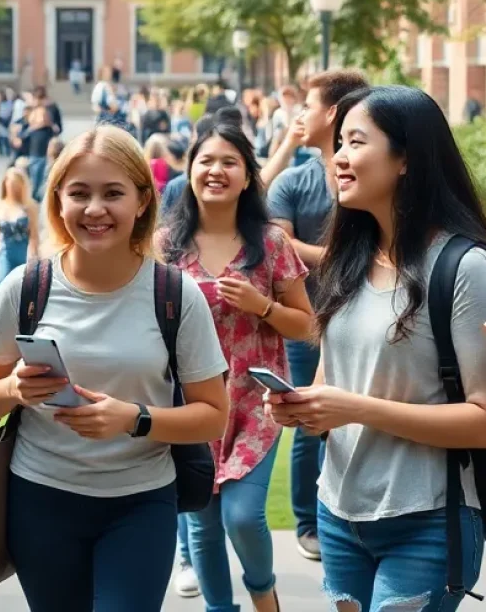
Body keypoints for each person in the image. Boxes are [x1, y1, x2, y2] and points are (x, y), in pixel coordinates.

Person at [267, 85, 486, 612]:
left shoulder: (463, 268)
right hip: (338, 513)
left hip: (426, 519)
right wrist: (305, 407)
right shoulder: (346, 258)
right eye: (339, 143)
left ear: (405, 159)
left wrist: (353, 408)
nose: (338, 156)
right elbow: (332, 381)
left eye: (356, 142)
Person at [0, 126, 230, 612]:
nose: (95, 210)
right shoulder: (25, 287)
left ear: (143, 201)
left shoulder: (174, 294)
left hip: (140, 501)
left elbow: (213, 415)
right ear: (58, 201)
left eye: (113, 193)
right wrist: (13, 388)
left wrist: (134, 418)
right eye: (79, 194)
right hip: (39, 499)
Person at [161, 107, 314, 612]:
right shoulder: (166, 246)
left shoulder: (270, 243)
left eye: (229, 162)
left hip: (254, 405)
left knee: (243, 516)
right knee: (201, 521)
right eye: (205, 160)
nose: (216, 171)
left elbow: (308, 325)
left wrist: (261, 305)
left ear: (248, 175)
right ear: (190, 170)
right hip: (190, 402)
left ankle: (263, 588)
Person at [264, 69, 368, 562]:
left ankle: (347, 513)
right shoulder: (294, 181)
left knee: (357, 419)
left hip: (367, 321)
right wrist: (347, 254)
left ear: (332, 112)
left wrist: (318, 252)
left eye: (307, 106)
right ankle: (309, 521)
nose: (298, 116)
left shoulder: (367, 177)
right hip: (307, 320)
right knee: (307, 418)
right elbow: (278, 247)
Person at [0, 167, 39, 284]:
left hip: (24, 255)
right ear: (5, 184)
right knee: (4, 286)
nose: (12, 188)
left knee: (21, 292)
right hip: (4, 254)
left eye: (15, 184)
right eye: (10, 183)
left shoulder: (29, 207)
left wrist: (33, 256)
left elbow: (34, 236)